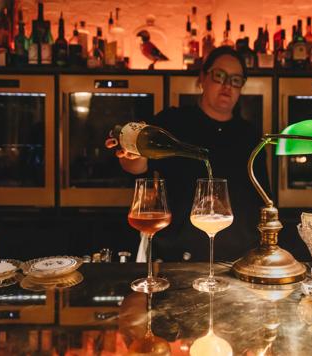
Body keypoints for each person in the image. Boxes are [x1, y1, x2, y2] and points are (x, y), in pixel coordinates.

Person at [107, 46, 269, 262]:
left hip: (239, 260)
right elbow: (137, 167)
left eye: (236, 80)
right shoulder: (173, 121)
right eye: (219, 76)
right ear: (202, 77)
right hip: (176, 257)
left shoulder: (250, 135)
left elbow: (260, 198)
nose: (227, 86)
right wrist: (131, 153)